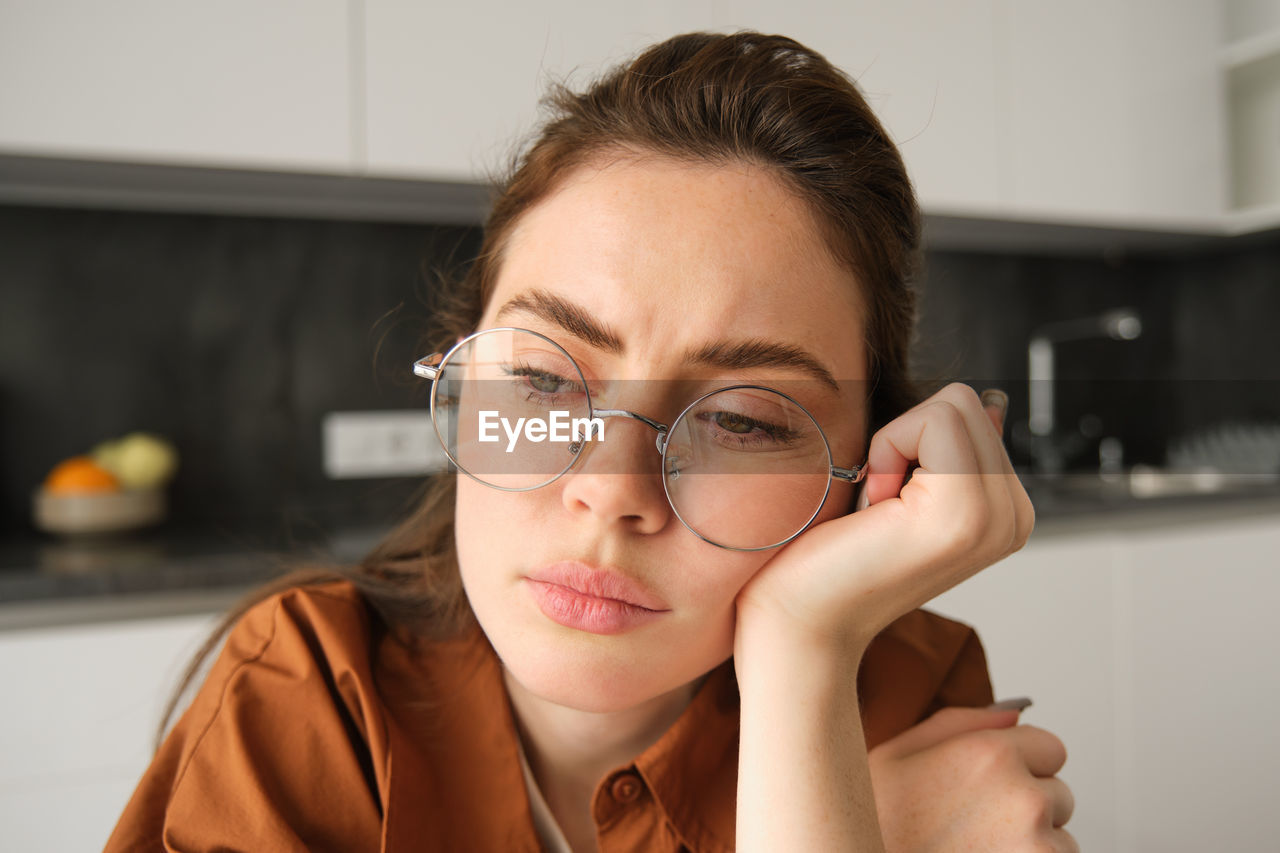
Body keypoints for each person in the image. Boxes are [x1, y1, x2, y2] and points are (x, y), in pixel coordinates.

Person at [106, 31, 1073, 852]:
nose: (612, 488)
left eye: (742, 419)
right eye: (543, 377)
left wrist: (801, 650)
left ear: (864, 471)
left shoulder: (901, 689)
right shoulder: (306, 698)